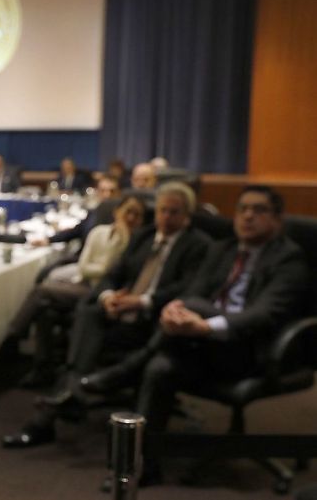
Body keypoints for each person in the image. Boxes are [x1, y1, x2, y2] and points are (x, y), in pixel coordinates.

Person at [2, 182, 210, 448]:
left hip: (153, 322)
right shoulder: (144, 237)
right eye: (162, 211)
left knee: (81, 327)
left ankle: (47, 418)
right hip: (117, 312)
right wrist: (108, 296)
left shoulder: (198, 245)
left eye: (174, 212)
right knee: (89, 309)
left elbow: (189, 288)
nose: (166, 217)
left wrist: (142, 301)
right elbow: (112, 275)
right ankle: (74, 390)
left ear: (187, 216)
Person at [132, 185, 308, 483]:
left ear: (278, 220)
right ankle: (144, 464)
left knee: (190, 309)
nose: (248, 216)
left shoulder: (290, 260)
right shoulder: (222, 248)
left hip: (249, 350)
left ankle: (127, 367)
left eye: (259, 210)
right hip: (198, 342)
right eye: (242, 209)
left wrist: (203, 325)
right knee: (160, 368)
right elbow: (192, 291)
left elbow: (263, 315)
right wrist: (174, 313)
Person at [11, 194, 146, 387]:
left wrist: (121, 241)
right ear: (117, 212)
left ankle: (14, 334)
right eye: (128, 212)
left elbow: (109, 273)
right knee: (45, 309)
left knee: (42, 292)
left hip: (103, 294)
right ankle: (43, 369)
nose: (131, 218)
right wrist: (99, 270)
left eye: (137, 215)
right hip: (85, 285)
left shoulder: (139, 242)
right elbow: (84, 267)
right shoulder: (99, 232)